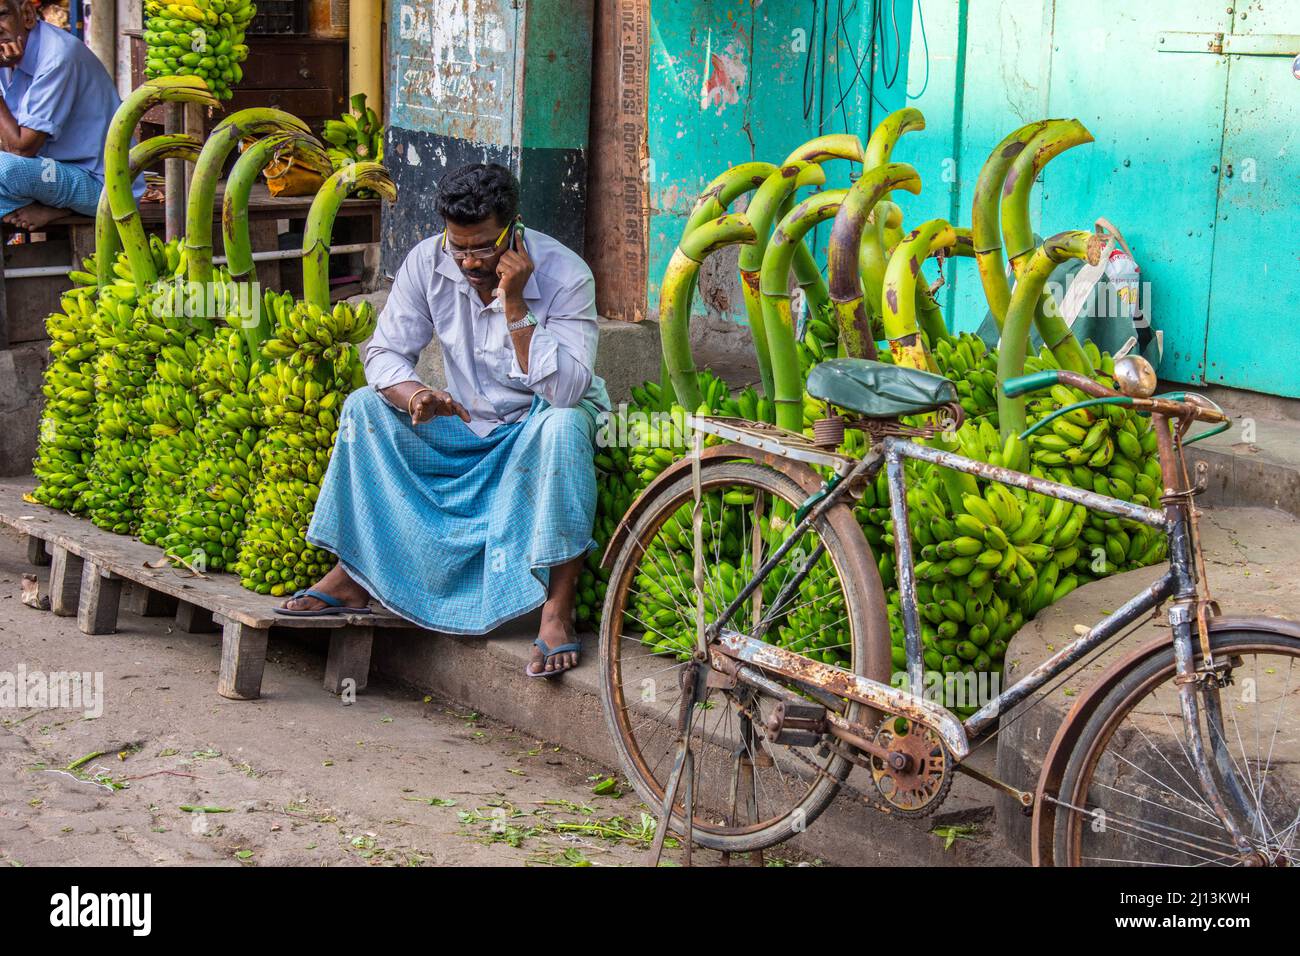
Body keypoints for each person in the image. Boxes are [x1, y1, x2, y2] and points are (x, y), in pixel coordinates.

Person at [277, 163, 611, 679]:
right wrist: (414, 394)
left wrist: (516, 304)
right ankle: (355, 574)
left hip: (537, 426)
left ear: (513, 229)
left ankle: (557, 608)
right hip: (466, 426)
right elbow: (385, 353)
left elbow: (566, 391)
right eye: (460, 248)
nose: (471, 262)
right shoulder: (426, 263)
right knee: (364, 408)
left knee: (564, 427)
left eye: (484, 247)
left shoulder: (567, 275)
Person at [0, 0, 137, 230]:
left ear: (27, 15)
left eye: (2, 15)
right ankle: (44, 207)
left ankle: (57, 207)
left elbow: (22, 148)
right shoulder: (7, 56)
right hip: (48, 171)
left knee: (5, 171)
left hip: (102, 185)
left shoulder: (56, 57)